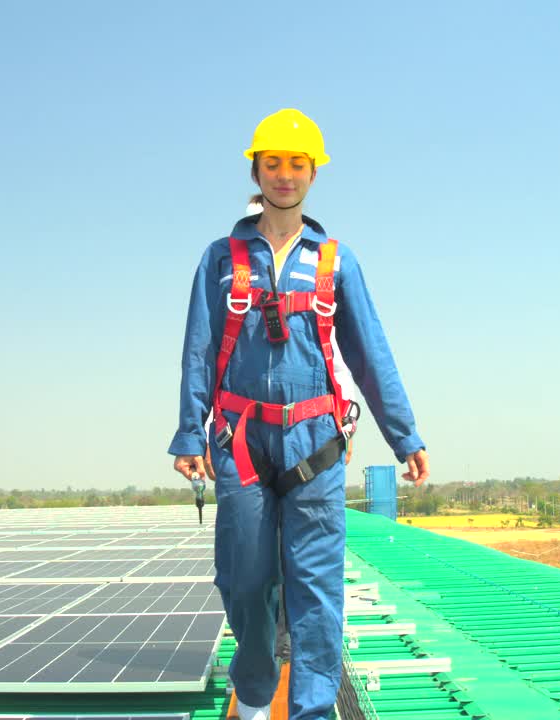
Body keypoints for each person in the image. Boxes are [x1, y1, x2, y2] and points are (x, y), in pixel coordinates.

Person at [169, 108, 429, 720]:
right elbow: (198, 349)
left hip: (315, 441)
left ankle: (312, 710)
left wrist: (404, 434)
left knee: (315, 589)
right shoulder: (220, 258)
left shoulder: (337, 261)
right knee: (246, 580)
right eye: (274, 163)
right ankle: (256, 699)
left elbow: (371, 354)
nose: (285, 175)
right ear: (256, 170)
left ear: (314, 173)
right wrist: (189, 431)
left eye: (297, 164)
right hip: (239, 440)